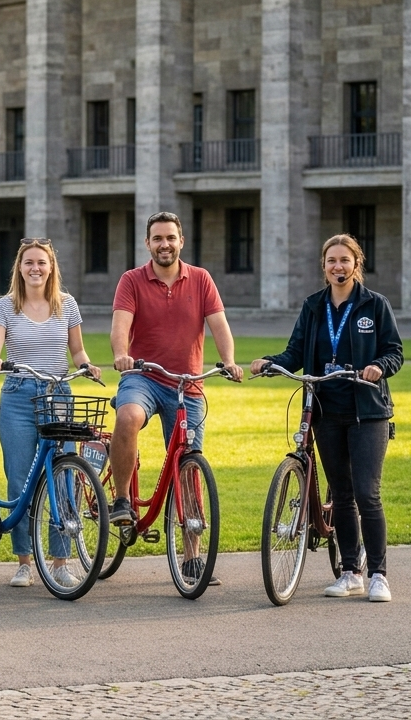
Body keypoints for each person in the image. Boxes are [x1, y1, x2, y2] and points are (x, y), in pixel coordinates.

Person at [251, 234, 403, 602]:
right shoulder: (314, 306)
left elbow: (394, 352)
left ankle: (379, 574)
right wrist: (271, 363)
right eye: (331, 260)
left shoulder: (375, 305)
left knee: (368, 493)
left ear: (356, 265)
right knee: (344, 494)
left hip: (367, 412)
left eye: (345, 260)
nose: (338, 266)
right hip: (325, 411)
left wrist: (378, 367)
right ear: (324, 266)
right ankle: (350, 572)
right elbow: (295, 352)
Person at [109, 211, 243, 584]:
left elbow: (219, 325)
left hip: (188, 384)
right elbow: (120, 328)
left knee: (189, 466)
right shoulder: (131, 280)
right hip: (144, 376)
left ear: (181, 241)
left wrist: (229, 361)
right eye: (157, 238)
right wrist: (122, 354)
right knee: (128, 416)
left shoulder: (200, 279)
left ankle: (191, 557)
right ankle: (122, 499)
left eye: (171, 237)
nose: (164, 244)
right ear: (148, 243)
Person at [0, 238, 101, 588]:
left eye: (42, 263)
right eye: (29, 262)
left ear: (51, 268)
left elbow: (77, 350)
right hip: (19, 394)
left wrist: (87, 365)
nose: (35, 268)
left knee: (63, 477)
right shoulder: (5, 307)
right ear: (19, 268)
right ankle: (24, 563)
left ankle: (60, 561)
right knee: (20, 479)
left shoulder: (68, 305)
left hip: (59, 395)